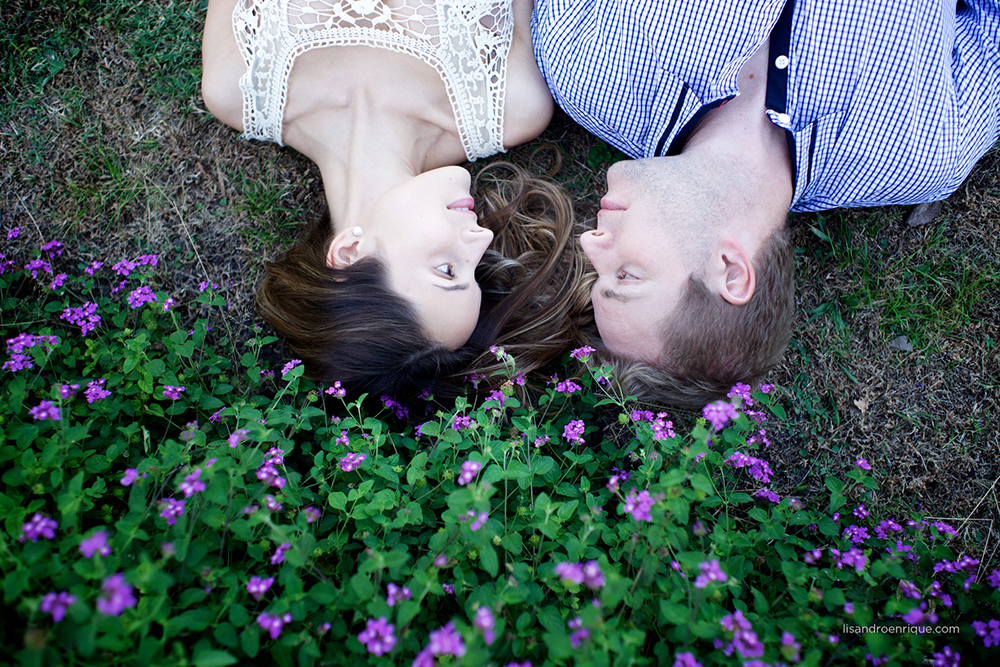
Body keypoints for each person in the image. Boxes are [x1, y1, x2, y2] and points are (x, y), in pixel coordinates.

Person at [532, 0, 1000, 408]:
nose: (589, 242)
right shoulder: (921, 152)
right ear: (731, 270)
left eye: (598, 272)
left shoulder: (587, 75)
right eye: (626, 276)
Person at [201, 0, 590, 395]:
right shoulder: (512, 104)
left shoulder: (238, 83)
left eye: (447, 270)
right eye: (474, 272)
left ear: (351, 252)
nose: (482, 240)